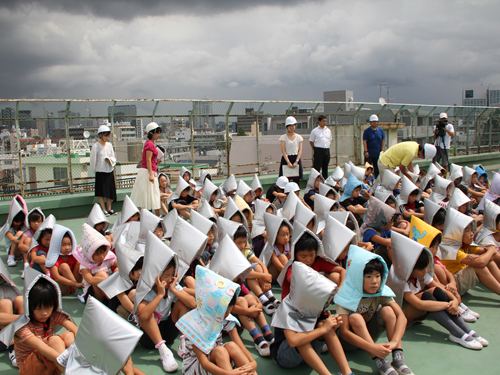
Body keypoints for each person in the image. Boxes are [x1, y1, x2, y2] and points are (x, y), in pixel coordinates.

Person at [387, 232, 487, 350]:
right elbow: (419, 304)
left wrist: (454, 300)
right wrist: (448, 304)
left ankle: (466, 330)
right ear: (411, 268)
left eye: (426, 267)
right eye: (422, 269)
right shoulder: (400, 278)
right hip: (404, 315)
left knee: (436, 291)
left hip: (421, 311)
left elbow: (439, 287)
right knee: (426, 296)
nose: (425, 271)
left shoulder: (421, 275)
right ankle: (457, 333)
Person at [335, 246, 412, 375]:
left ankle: (398, 359)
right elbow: (345, 333)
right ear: (358, 277)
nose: (375, 281)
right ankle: (380, 361)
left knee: (388, 311)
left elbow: (401, 317)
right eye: (369, 277)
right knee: (355, 317)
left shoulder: (381, 292)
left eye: (377, 276)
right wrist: (373, 348)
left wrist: (394, 343)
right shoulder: (346, 295)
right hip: (348, 343)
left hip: (368, 336)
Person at [271, 262, 353, 375]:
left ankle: (347, 372)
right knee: (302, 338)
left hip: (308, 355)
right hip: (285, 357)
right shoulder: (287, 307)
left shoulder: (314, 305)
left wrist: (332, 327)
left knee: (324, 325)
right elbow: (293, 341)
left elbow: (324, 331)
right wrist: (323, 329)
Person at [176, 266, 258, 375]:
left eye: (229, 312)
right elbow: (204, 362)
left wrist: (252, 363)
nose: (226, 316)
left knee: (232, 346)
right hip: (195, 367)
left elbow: (241, 347)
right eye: (224, 312)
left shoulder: (225, 319)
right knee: (220, 351)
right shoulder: (196, 325)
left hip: (217, 361)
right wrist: (229, 374)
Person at [134, 232, 196, 372]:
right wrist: (160, 294)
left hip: (169, 331)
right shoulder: (146, 290)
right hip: (150, 337)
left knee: (181, 303)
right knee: (147, 312)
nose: (169, 279)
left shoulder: (171, 286)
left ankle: (184, 342)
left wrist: (174, 291)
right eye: (165, 276)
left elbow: (192, 304)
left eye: (172, 275)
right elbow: (143, 316)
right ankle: (163, 351)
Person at [3, 268, 79, 375]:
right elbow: (41, 347)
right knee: (55, 340)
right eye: (38, 308)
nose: (44, 313)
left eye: (48, 307)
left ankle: (71, 368)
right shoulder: (22, 326)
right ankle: (70, 372)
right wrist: (65, 363)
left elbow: (76, 330)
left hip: (49, 361)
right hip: (29, 369)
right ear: (29, 306)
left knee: (69, 336)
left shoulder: (53, 315)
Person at [73, 223, 116, 304]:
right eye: (97, 254)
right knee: (101, 274)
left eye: (103, 252)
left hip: (106, 289)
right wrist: (108, 280)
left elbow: (120, 266)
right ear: (90, 254)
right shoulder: (85, 264)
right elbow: (89, 280)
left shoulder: (107, 258)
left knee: (117, 270)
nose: (101, 257)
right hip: (92, 296)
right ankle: (114, 303)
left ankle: (114, 302)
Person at [130, 122, 163, 216]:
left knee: (147, 195)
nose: (158, 135)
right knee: (147, 195)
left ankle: (150, 215)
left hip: (149, 171)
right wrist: (151, 174)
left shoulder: (150, 144)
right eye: (157, 133)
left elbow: (150, 160)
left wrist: (156, 161)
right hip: (148, 172)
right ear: (152, 133)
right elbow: (148, 160)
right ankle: (155, 216)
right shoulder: (150, 144)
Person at [45, 225, 83, 298]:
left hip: (74, 284)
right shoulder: (54, 259)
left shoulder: (72, 256)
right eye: (63, 245)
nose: (67, 248)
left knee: (80, 263)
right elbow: (57, 277)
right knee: (64, 266)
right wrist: (75, 284)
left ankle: (79, 290)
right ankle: (79, 291)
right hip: (63, 287)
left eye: (69, 244)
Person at [89, 125, 117, 216]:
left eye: (108, 135)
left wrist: (110, 161)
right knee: (101, 192)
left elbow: (113, 157)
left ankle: (109, 209)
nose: (107, 137)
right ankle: (103, 209)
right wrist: (96, 170)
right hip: (100, 171)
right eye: (105, 135)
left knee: (109, 191)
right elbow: (93, 160)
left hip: (109, 170)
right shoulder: (96, 146)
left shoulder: (109, 145)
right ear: (100, 135)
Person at [279, 116, 303, 184]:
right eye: (290, 126)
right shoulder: (283, 137)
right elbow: (283, 150)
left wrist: (296, 161)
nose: (291, 127)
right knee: (286, 181)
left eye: (293, 125)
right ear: (287, 127)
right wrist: (288, 162)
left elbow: (300, 150)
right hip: (286, 159)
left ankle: (296, 194)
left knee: (296, 181)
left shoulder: (299, 137)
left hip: (296, 158)